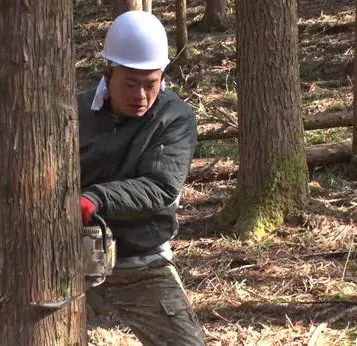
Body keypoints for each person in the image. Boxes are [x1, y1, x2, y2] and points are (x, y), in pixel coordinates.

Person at [78, 11, 205, 346]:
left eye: (152, 84)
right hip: (72, 260)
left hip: (141, 262)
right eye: (130, 84)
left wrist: (95, 198)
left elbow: (161, 187)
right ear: (109, 72)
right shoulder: (75, 113)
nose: (141, 96)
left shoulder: (175, 118)